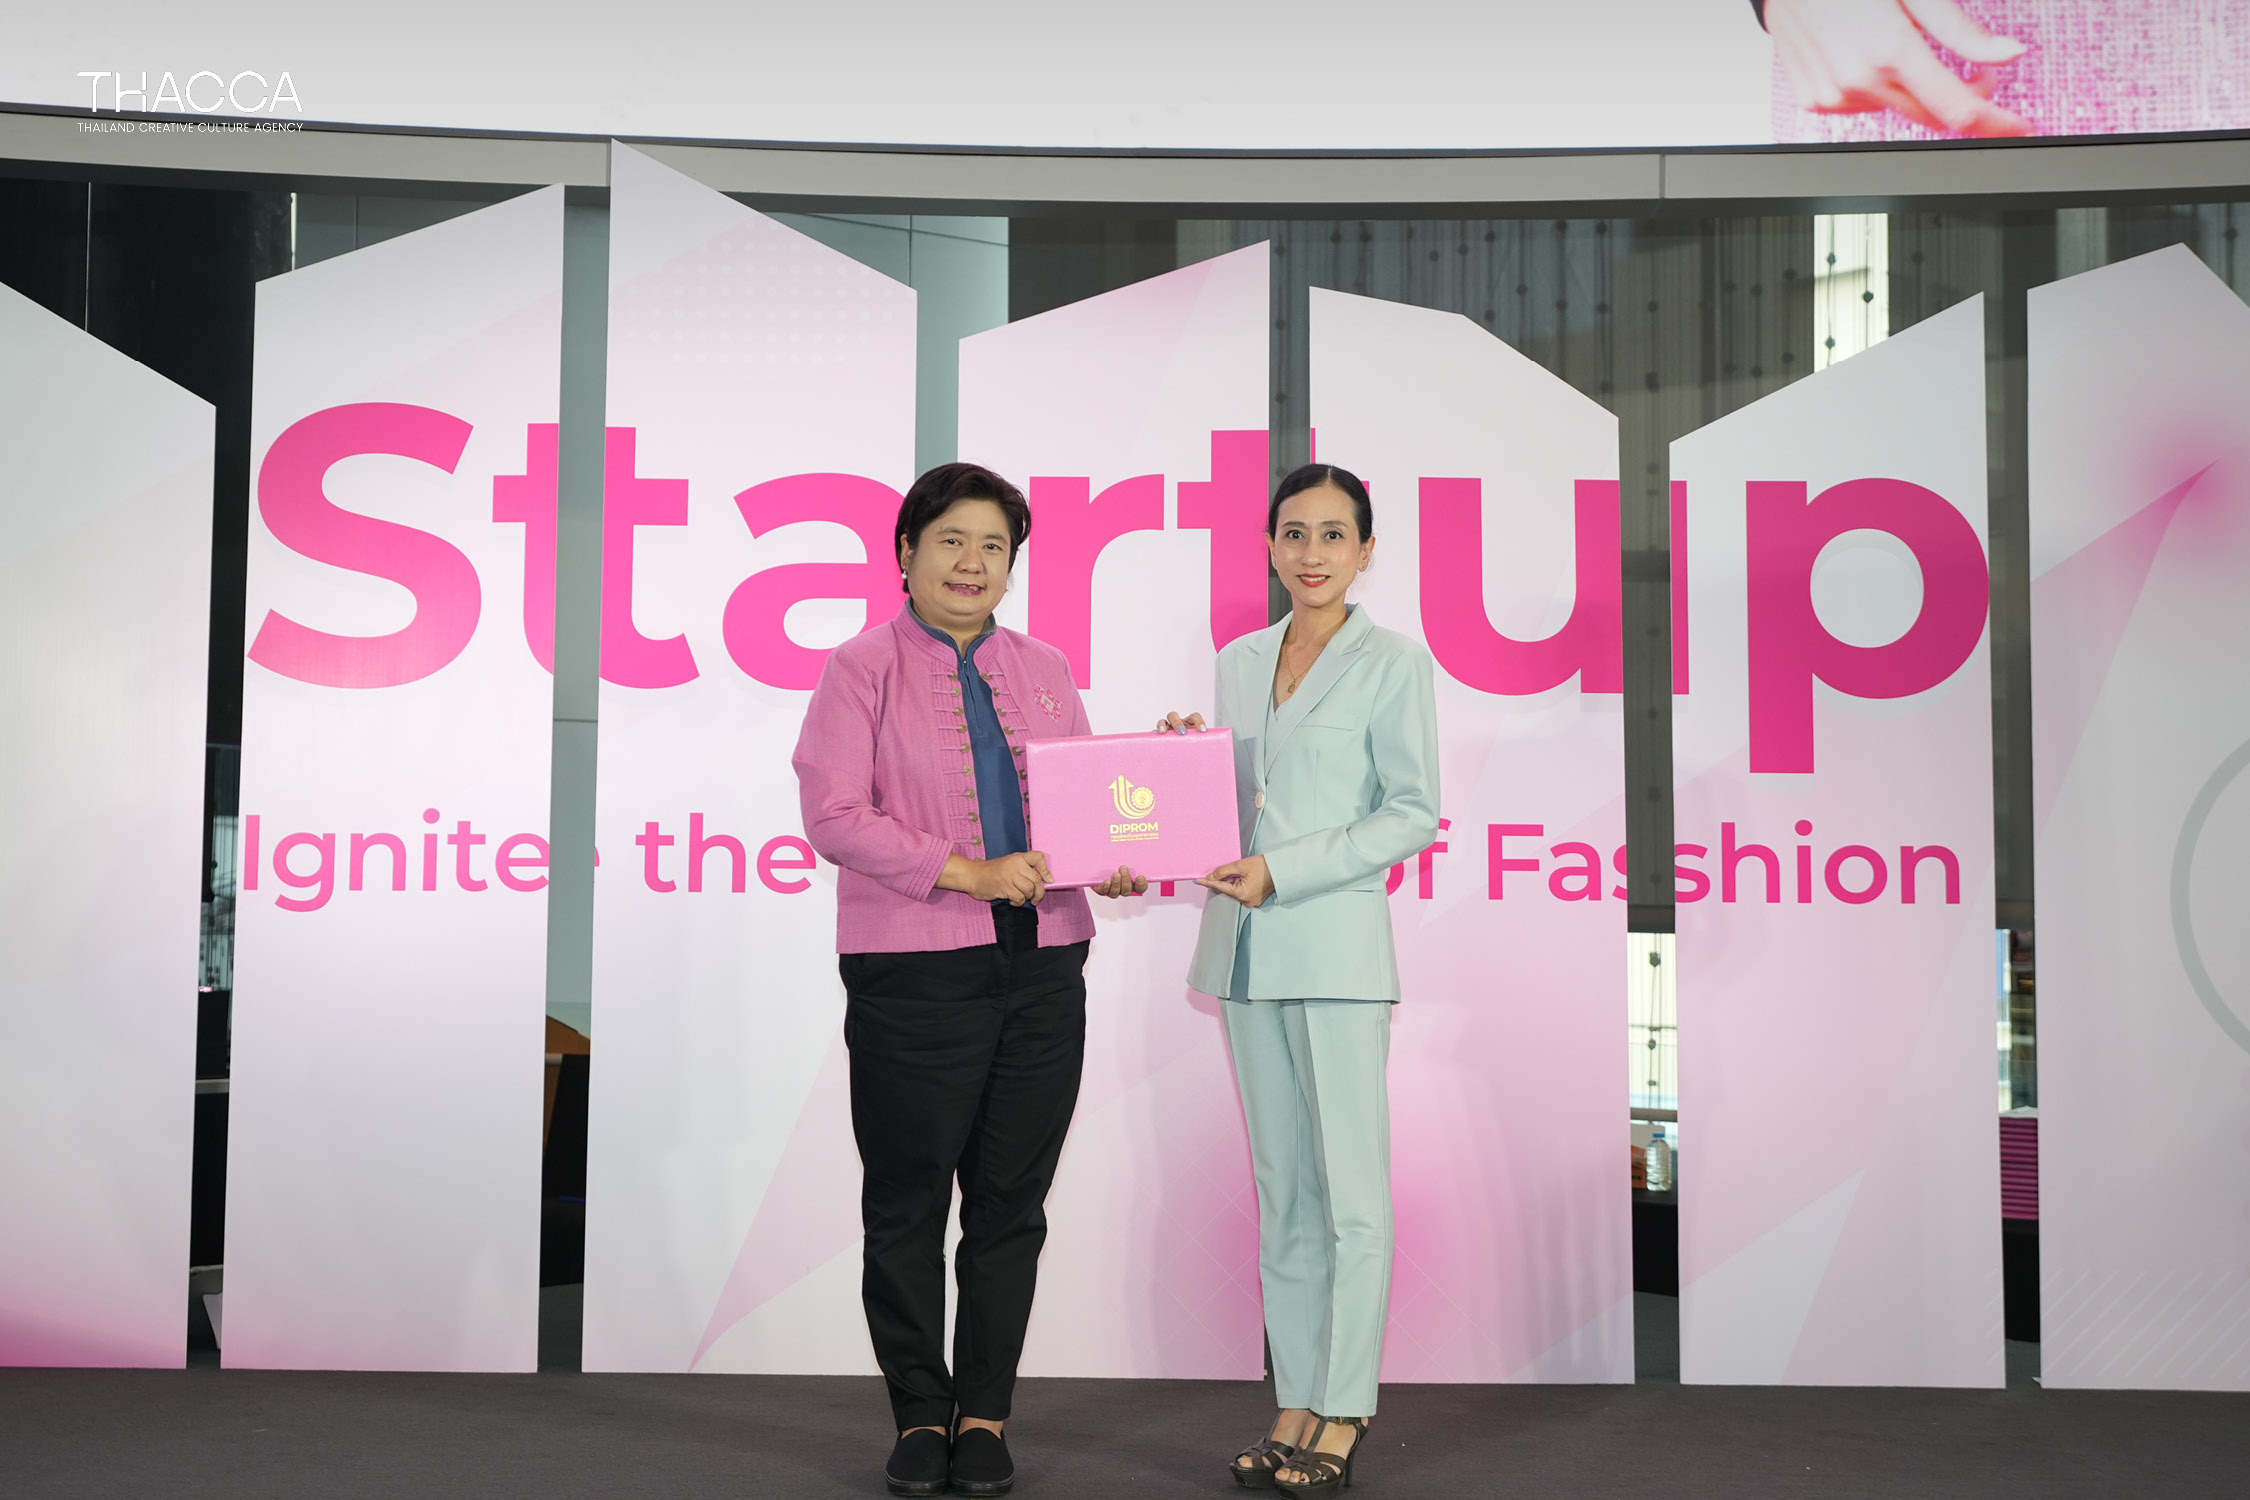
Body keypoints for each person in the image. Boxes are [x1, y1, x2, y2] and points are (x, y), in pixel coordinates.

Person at [793, 462, 1143, 1499]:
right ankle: (918, 1414)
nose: (972, 562)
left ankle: (984, 1415)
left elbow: (1089, 808)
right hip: (912, 971)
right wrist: (968, 871)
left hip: (1045, 964)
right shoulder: (860, 667)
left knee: (1010, 1205)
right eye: (951, 540)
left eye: (994, 546)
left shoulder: (1047, 668)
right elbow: (833, 815)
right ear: (906, 553)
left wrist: (1122, 849)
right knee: (907, 1200)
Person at [1158, 464, 1439, 1497]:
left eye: (1331, 534)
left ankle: (1346, 1403)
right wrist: (1185, 768)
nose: (1310, 553)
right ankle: (1296, 1397)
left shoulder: (1394, 662)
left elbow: (1411, 812)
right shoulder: (1239, 661)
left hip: (1336, 949)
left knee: (1351, 1193)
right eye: (1293, 533)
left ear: (1366, 550)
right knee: (1284, 1191)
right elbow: (1240, 801)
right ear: (1271, 546)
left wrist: (1287, 868)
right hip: (1242, 950)